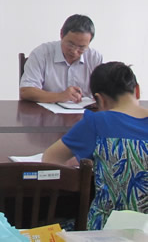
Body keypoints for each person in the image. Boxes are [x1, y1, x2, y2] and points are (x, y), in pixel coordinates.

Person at [42, 62, 148, 229]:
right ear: (137, 90)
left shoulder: (97, 122)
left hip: (106, 230)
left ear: (99, 99)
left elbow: (50, 159)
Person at [20, 14, 103, 103]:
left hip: (84, 110)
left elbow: (103, 91)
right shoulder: (42, 53)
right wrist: (60, 96)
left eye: (81, 48)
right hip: (47, 110)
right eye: (70, 44)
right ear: (61, 34)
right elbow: (25, 91)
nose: (74, 51)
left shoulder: (94, 58)